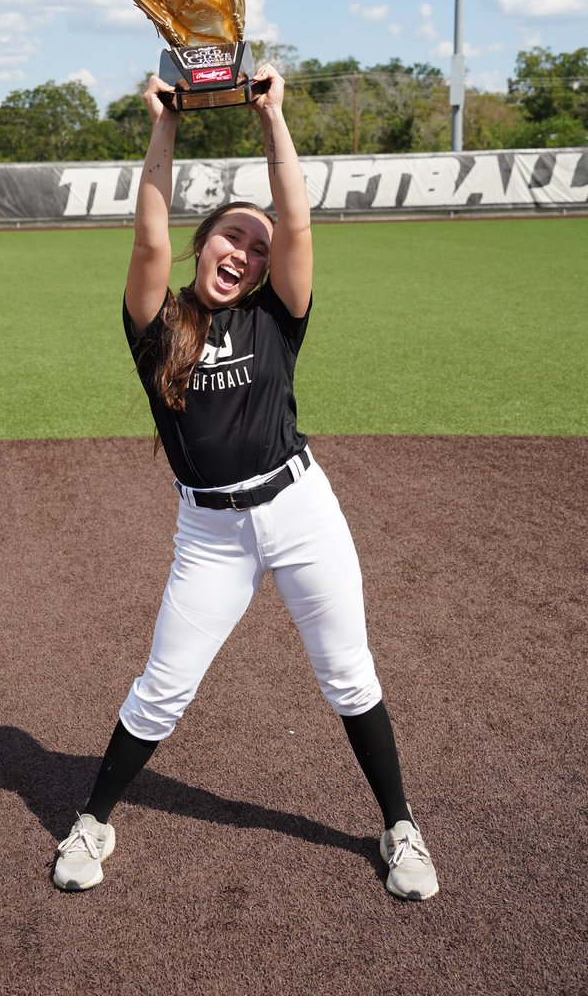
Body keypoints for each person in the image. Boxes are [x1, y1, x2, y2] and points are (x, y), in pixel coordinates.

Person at [52, 64, 439, 902]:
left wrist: (273, 117)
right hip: (211, 534)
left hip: (301, 511)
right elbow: (148, 239)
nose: (247, 254)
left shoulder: (275, 317)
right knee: (162, 689)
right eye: (233, 238)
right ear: (204, 244)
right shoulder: (158, 323)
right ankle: (93, 818)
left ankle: (400, 825)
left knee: (349, 675)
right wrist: (166, 123)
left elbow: (296, 220)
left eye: (258, 251)